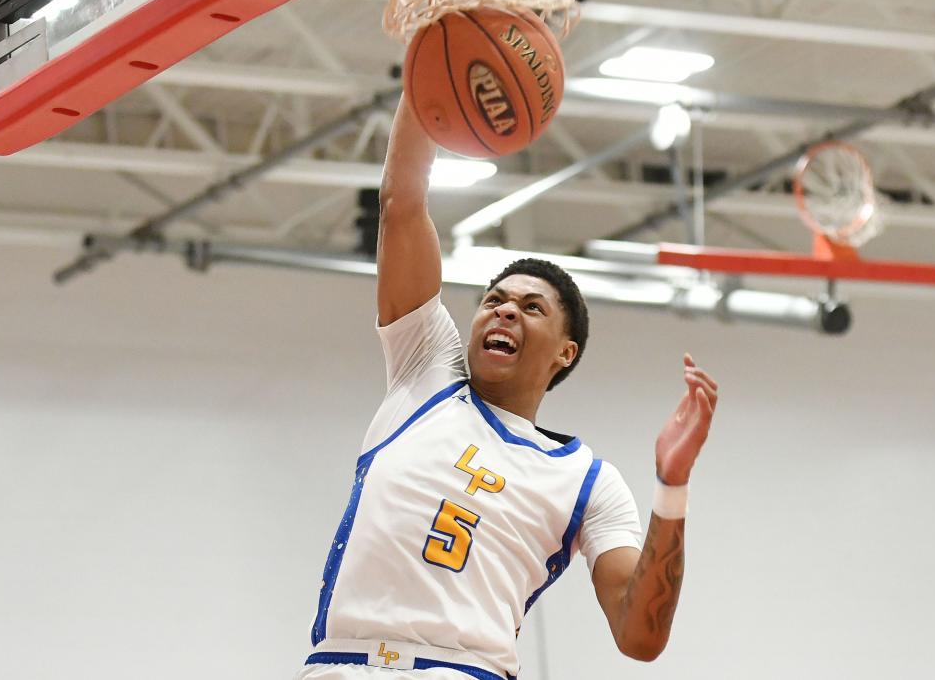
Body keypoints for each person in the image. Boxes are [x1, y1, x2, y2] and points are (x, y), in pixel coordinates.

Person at [296, 97, 718, 680]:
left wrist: (672, 487)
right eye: (494, 300)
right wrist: (426, 70)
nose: (504, 312)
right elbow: (401, 204)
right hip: (338, 666)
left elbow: (638, 635)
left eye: (531, 307)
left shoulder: (588, 481)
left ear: (565, 353)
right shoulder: (427, 370)